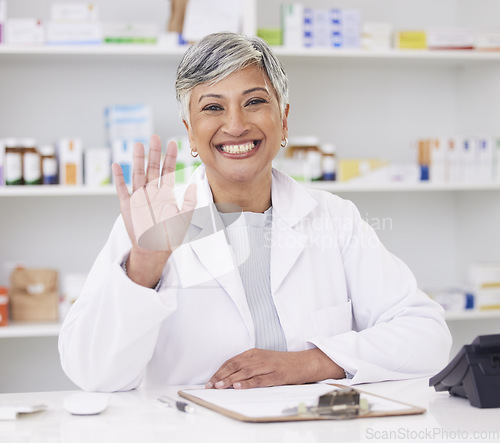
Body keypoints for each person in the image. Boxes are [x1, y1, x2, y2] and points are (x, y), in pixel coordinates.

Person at [58, 32, 451, 392]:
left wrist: (311, 362)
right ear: (191, 132)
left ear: (283, 120)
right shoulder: (152, 223)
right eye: (213, 107)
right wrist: (145, 266)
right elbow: (93, 374)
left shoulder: (334, 218)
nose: (236, 124)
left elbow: (427, 336)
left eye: (255, 102)